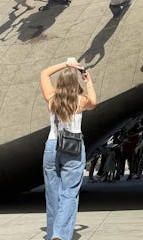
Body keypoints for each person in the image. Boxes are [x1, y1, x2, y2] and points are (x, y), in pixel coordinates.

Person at [39, 59, 97, 240]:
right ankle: (60, 234)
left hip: (51, 147)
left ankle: (52, 235)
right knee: (69, 193)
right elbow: (94, 101)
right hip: (73, 147)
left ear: (60, 83)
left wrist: (66, 64)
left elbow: (44, 73)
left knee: (52, 194)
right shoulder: (81, 101)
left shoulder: (51, 99)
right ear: (75, 83)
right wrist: (87, 80)